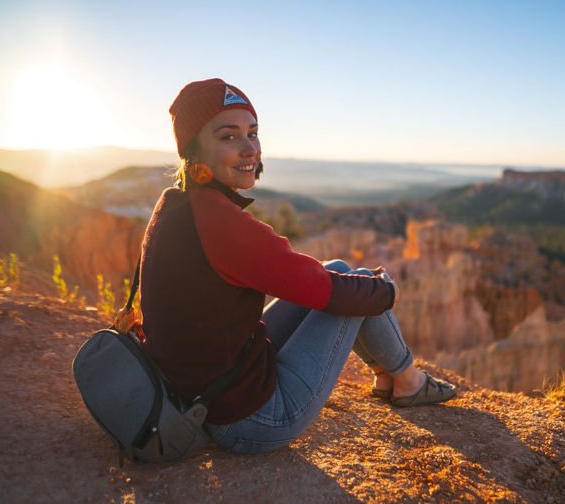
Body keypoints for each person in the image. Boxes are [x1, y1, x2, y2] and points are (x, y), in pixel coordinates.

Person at [139, 78, 455, 454]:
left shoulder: (178, 203)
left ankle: (397, 378)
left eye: (252, 134)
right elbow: (323, 290)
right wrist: (387, 291)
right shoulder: (220, 222)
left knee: (337, 268)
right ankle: (409, 381)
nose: (249, 149)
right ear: (193, 152)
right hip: (249, 419)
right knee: (353, 286)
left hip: (205, 387)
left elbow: (310, 278)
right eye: (228, 137)